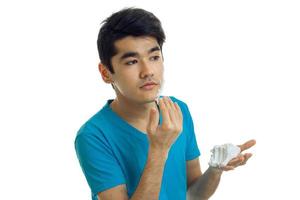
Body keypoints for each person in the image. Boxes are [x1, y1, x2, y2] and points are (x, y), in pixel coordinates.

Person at [74, 7, 256, 200]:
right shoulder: (93, 136)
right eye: (132, 62)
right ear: (105, 73)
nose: (147, 71)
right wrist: (159, 150)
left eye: (154, 57)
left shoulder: (177, 110)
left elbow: (193, 195)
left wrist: (216, 168)